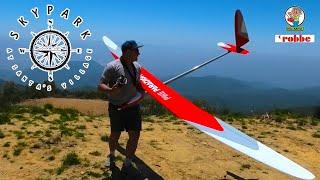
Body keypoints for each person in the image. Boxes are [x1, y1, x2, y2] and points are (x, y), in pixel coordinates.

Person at [98, 40, 144, 170]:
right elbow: (100, 85)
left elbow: (137, 83)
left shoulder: (137, 67)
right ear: (128, 52)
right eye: (136, 50)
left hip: (133, 107)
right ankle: (111, 155)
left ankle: (128, 161)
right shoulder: (112, 66)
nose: (139, 53)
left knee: (134, 136)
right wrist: (111, 90)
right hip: (116, 107)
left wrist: (141, 93)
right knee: (115, 135)